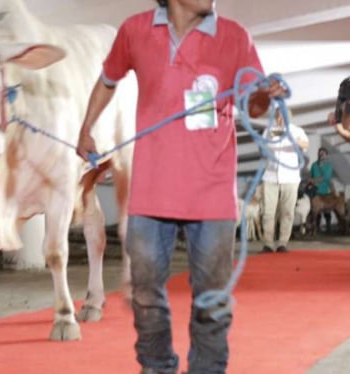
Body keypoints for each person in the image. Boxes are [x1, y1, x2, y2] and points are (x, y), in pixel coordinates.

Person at [75, 1, 287, 373]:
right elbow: (109, 79)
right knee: (143, 294)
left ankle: (207, 368)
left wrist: (264, 96)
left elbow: (253, 106)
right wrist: (86, 129)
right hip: (151, 189)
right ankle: (157, 365)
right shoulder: (135, 30)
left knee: (212, 298)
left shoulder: (236, 37)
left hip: (213, 193)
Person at [260, 109, 309, 253]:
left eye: (283, 115)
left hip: (290, 177)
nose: (280, 118)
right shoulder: (269, 130)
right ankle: (268, 243)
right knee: (268, 212)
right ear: (276, 117)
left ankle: (283, 243)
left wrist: (291, 137)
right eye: (278, 115)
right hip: (270, 177)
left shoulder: (297, 130)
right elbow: (264, 146)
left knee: (287, 212)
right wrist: (275, 136)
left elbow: (306, 145)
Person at [309, 147, 334, 232]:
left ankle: (328, 228)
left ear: (326, 155)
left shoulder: (329, 166)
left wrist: (315, 180)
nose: (321, 155)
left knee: (327, 210)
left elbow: (326, 177)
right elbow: (310, 176)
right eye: (320, 153)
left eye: (323, 153)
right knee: (316, 210)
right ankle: (317, 228)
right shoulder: (314, 165)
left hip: (325, 191)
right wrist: (312, 181)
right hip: (315, 192)